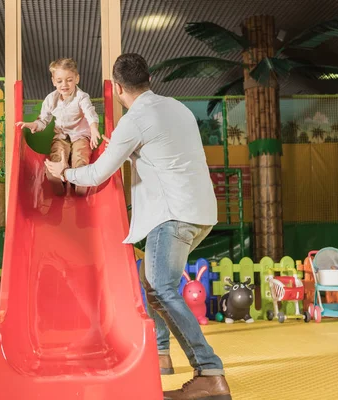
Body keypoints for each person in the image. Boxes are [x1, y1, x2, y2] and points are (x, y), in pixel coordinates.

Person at [44, 53, 231, 400]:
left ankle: (209, 372)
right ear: (148, 78)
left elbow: (99, 173)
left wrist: (64, 173)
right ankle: (160, 354)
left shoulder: (136, 120)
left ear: (117, 88)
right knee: (150, 281)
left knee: (160, 288)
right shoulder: (176, 107)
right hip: (201, 211)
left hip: (172, 215)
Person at [16, 58, 101, 196]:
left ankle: (79, 180)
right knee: (57, 152)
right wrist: (34, 125)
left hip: (81, 135)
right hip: (61, 135)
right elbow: (44, 120)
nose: (64, 84)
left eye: (69, 80)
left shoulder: (82, 97)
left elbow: (90, 112)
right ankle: (57, 178)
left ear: (77, 79)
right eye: (60, 81)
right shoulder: (51, 99)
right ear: (53, 81)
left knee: (80, 155)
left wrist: (93, 128)